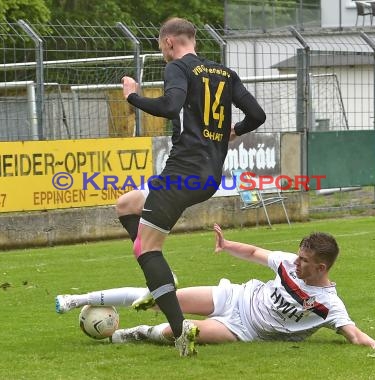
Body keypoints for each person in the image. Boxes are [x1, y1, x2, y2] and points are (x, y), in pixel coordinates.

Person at [58, 17, 266, 357]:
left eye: (159, 45)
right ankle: (163, 279)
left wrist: (134, 97)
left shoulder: (178, 68)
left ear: (169, 42)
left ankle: (180, 332)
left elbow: (170, 107)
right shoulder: (224, 74)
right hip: (208, 176)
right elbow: (257, 114)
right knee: (126, 204)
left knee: (145, 250)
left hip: (181, 174)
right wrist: (235, 131)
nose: (160, 51)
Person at [56, 224, 375, 351]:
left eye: (305, 261)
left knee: (182, 330)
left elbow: (354, 334)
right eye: (299, 256)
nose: (296, 263)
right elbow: (254, 253)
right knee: (162, 297)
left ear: (322, 267)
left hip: (241, 328)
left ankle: (122, 335)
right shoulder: (288, 262)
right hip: (235, 295)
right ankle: (78, 299)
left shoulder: (328, 305)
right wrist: (227, 244)